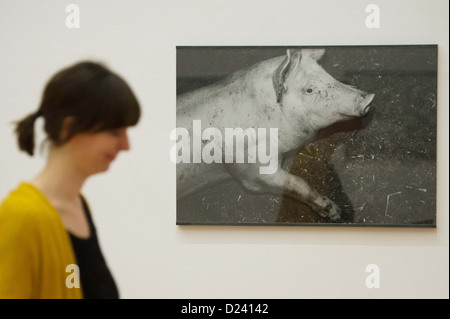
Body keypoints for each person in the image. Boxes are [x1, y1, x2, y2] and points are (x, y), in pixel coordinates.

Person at [0, 61, 141, 299]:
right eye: (115, 132)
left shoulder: (80, 206)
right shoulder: (20, 216)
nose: (126, 146)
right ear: (70, 128)